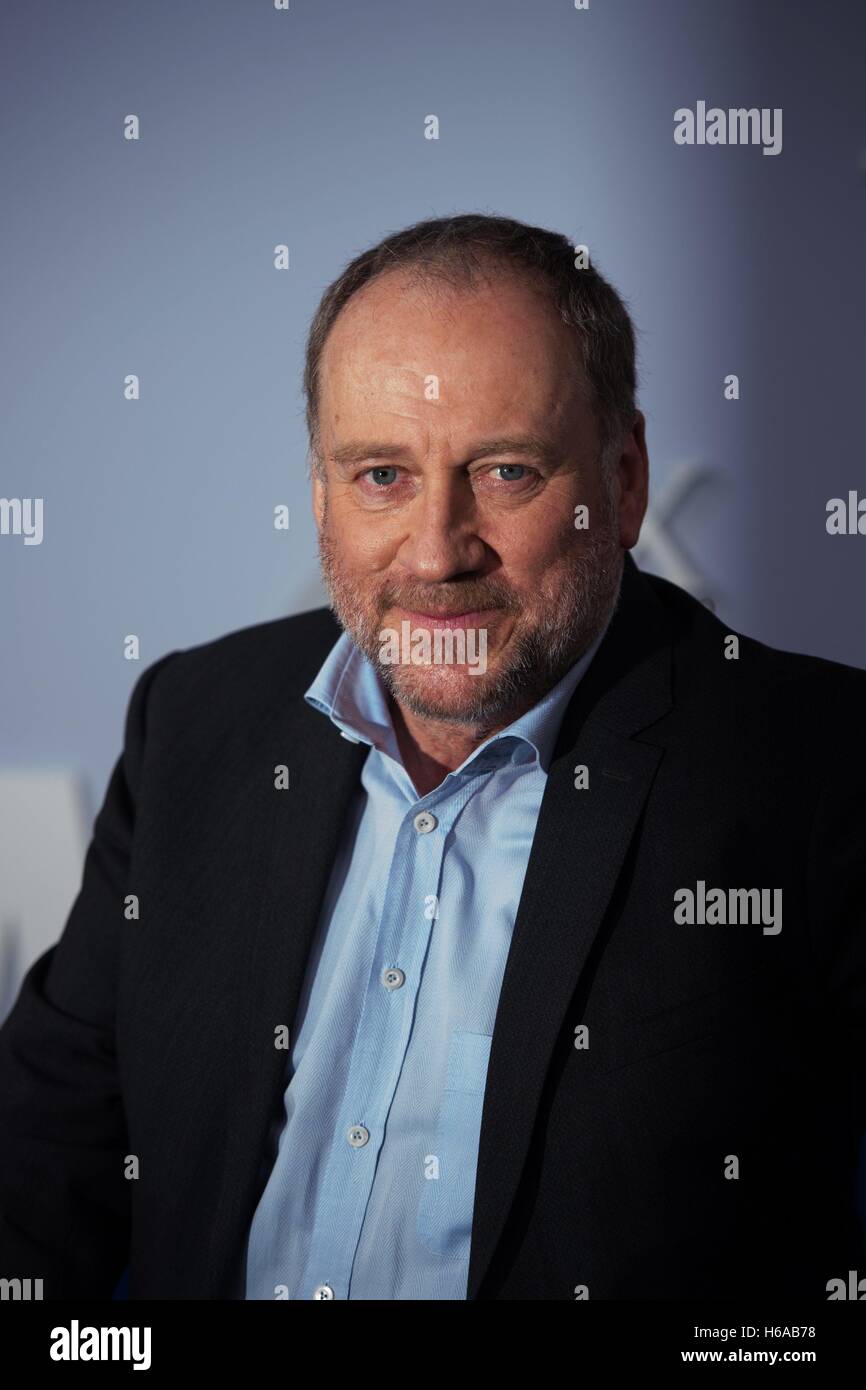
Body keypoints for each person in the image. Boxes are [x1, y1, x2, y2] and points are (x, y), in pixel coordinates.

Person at [1, 214, 864, 1300]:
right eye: (379, 476)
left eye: (504, 472)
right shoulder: (194, 722)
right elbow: (45, 1152)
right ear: (317, 491)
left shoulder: (815, 763)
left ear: (626, 479)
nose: (434, 550)